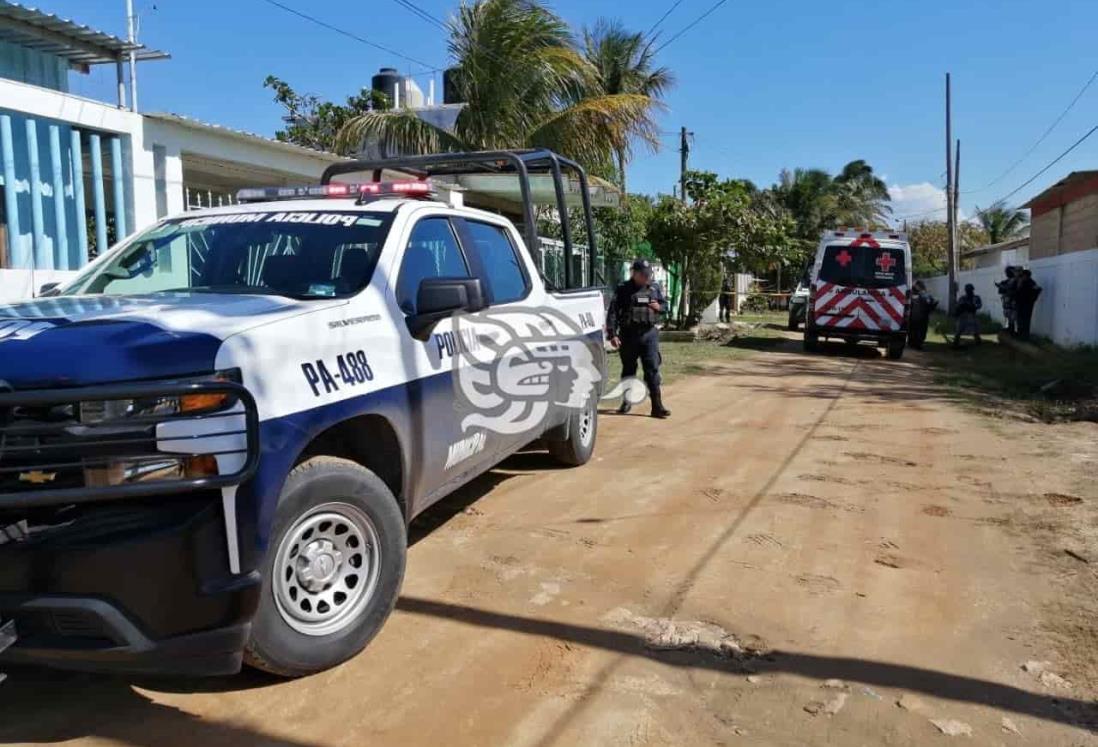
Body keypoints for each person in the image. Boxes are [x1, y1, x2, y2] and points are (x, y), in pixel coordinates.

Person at [607, 259, 671, 418]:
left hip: (649, 335)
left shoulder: (654, 288)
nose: (646, 277)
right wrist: (612, 334)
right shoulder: (623, 289)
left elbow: (664, 306)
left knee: (652, 371)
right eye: (643, 274)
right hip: (628, 336)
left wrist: (659, 308)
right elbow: (613, 313)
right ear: (633, 273)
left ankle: (657, 406)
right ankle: (626, 401)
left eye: (648, 274)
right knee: (629, 370)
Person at [908, 280, 938, 349]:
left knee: (916, 330)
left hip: (917, 316)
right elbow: (932, 304)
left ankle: (915, 343)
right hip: (920, 316)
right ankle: (917, 343)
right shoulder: (925, 295)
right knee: (919, 330)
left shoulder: (917, 295)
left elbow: (931, 304)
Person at [1014, 269, 1042, 341]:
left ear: (1026, 276)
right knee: (1020, 319)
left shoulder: (1030, 282)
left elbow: (1038, 289)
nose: (1022, 277)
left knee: (1025, 320)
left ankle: (1025, 336)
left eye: (1023, 276)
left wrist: (1032, 300)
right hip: (1020, 303)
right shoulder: (1021, 282)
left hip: (1027, 305)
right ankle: (1020, 335)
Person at [952, 283, 983, 347]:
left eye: (970, 290)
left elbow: (978, 305)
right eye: (967, 290)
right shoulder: (963, 298)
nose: (969, 291)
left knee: (975, 329)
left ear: (972, 290)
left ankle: (978, 341)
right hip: (963, 315)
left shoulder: (976, 298)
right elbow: (958, 307)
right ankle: (956, 341)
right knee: (959, 329)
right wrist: (962, 306)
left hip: (972, 314)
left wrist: (971, 306)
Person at [995, 266, 1019, 335]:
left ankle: (1012, 330)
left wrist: (1004, 287)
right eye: (1006, 272)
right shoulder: (1006, 281)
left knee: (1013, 316)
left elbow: (1014, 290)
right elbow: (1001, 291)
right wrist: (1000, 286)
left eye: (1008, 272)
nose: (1007, 273)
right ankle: (1009, 328)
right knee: (1007, 314)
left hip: (1013, 301)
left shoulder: (1016, 281)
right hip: (1007, 301)